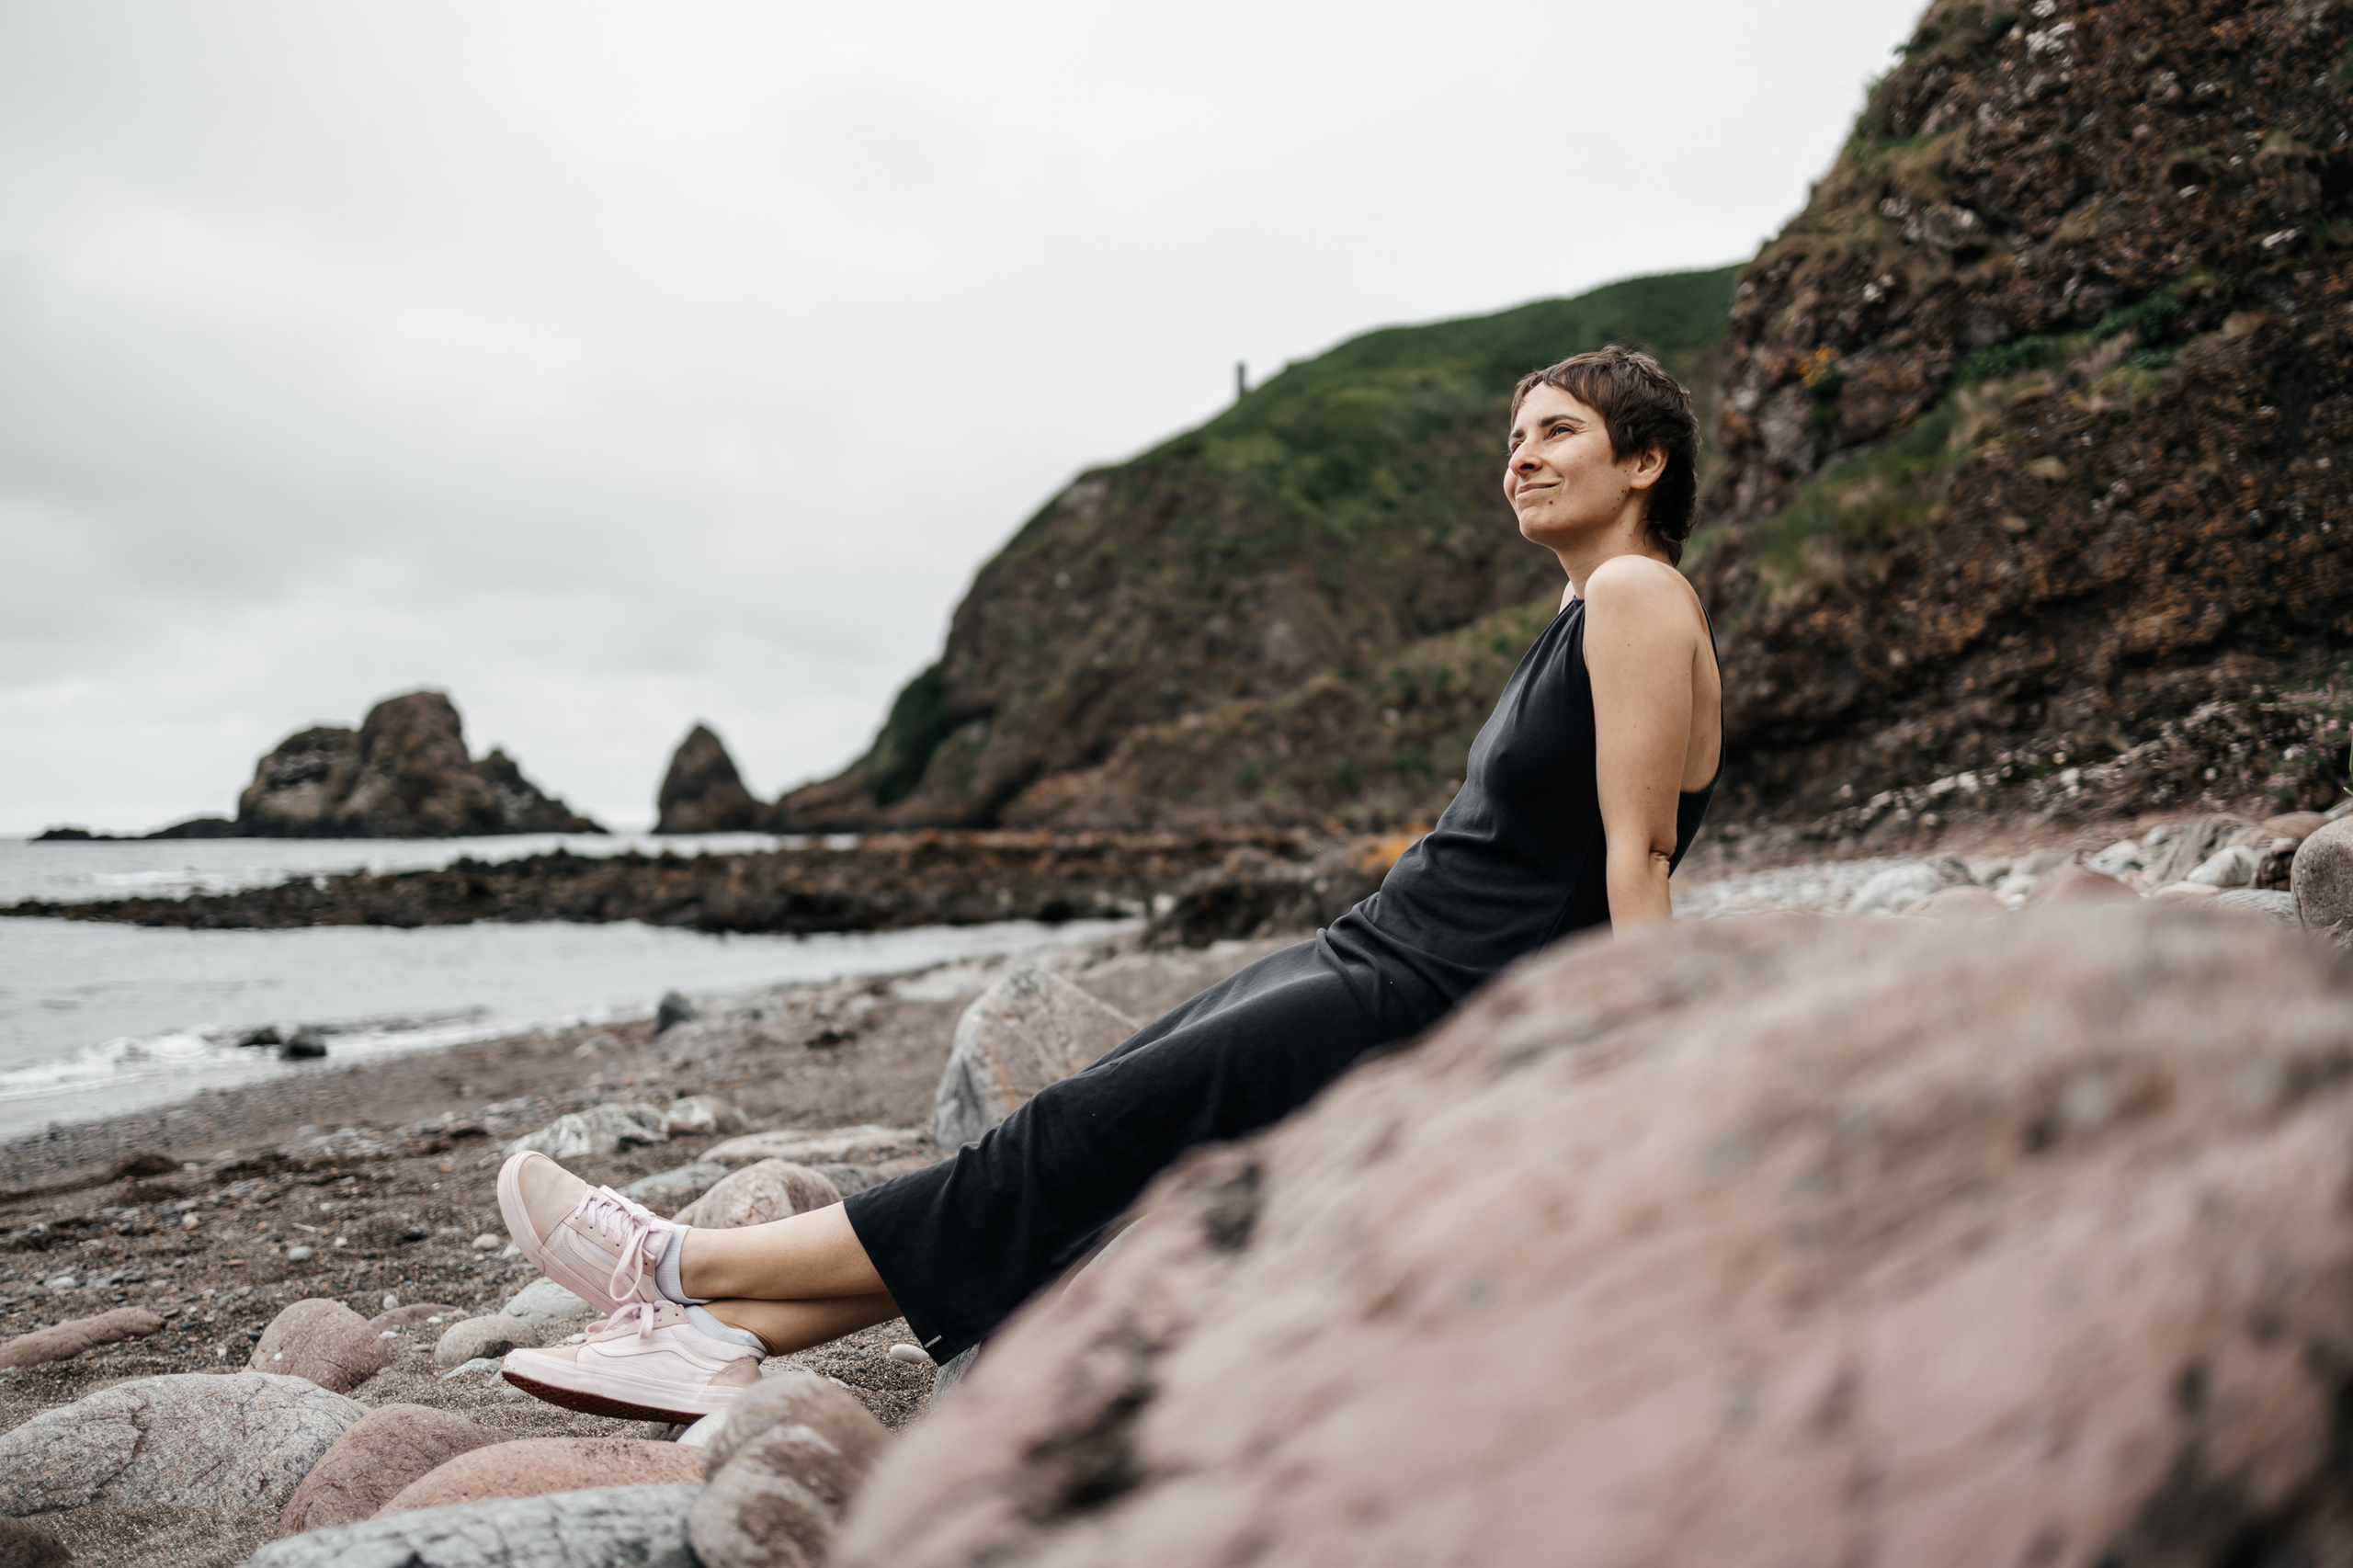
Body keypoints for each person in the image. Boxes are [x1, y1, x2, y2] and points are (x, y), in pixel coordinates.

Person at [492, 345, 1723, 1423]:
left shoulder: (1635, 592)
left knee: (1071, 1140)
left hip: (1415, 993)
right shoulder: (1584, 609)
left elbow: (1641, 851)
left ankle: (677, 1264)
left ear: (1646, 462)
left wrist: (1639, 1073)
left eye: (1557, 430)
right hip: (1375, 954)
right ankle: (721, 1337)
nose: (1521, 457)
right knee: (1088, 1142)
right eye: (1513, 437)